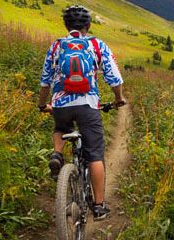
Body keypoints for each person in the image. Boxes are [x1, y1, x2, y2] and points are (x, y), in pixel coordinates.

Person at [37, 5, 126, 221]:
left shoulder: (56, 46)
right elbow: (113, 77)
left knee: (60, 127)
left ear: (66, 25)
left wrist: (42, 105)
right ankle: (98, 205)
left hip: (61, 105)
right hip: (88, 106)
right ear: (88, 25)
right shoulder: (97, 45)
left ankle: (57, 154)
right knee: (94, 154)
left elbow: (45, 81)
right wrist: (118, 98)